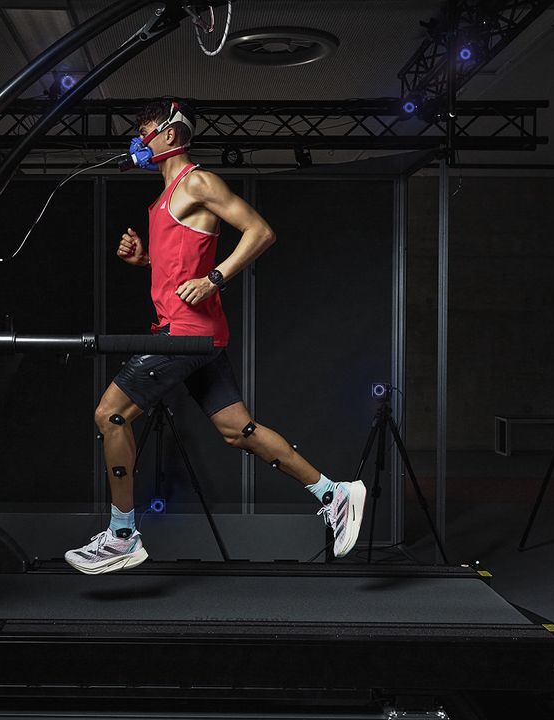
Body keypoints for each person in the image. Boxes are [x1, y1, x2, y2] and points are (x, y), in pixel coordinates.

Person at [65, 100, 366, 574]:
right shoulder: (165, 199)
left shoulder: (196, 181)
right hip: (200, 334)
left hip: (184, 333)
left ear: (168, 135)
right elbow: (182, 262)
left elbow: (260, 232)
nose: (137, 143)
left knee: (111, 414)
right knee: (237, 431)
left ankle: (123, 534)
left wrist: (216, 279)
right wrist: (144, 260)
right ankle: (335, 492)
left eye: (143, 132)